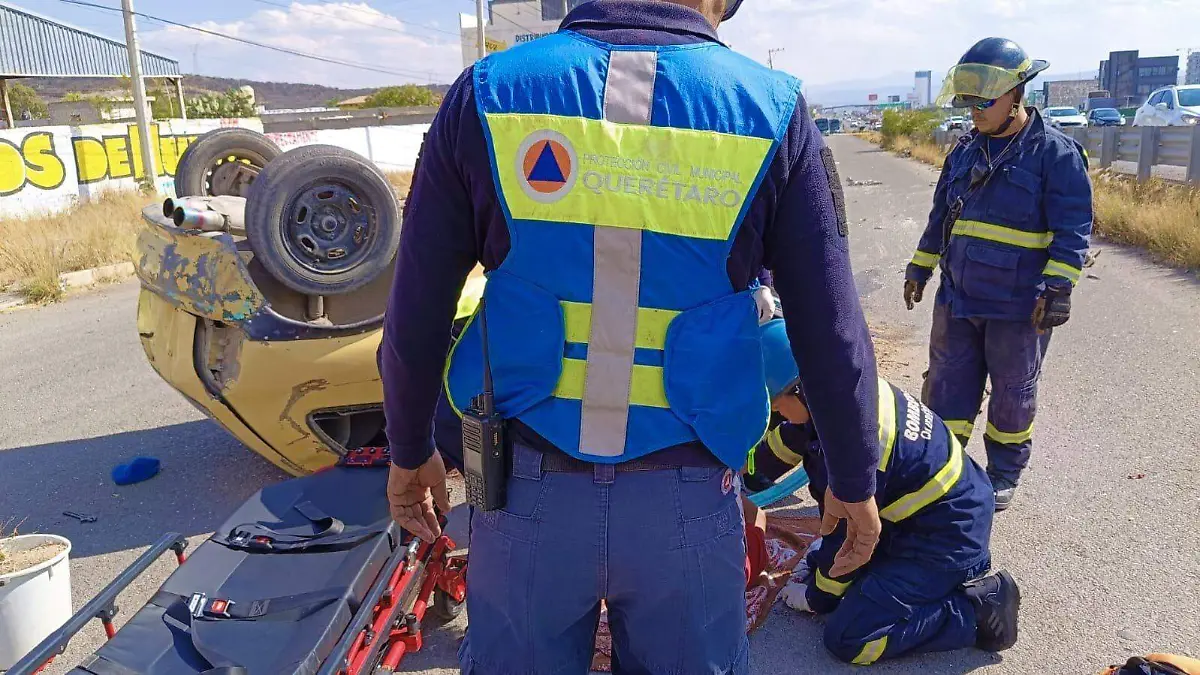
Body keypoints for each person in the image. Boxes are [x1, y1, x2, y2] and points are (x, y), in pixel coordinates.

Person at [378, 0, 884, 670]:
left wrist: (410, 448)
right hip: (688, 501)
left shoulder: (490, 93)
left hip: (523, 493)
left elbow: (416, 305)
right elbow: (830, 326)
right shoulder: (772, 109)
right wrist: (851, 474)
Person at [747, 319, 1020, 665]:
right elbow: (789, 439)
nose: (773, 410)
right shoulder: (840, 393)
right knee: (841, 571)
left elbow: (846, 537)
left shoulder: (857, 451)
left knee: (850, 638)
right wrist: (739, 473)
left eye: (775, 401)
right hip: (929, 516)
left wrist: (817, 596)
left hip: (943, 543)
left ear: (801, 389)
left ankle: (975, 613)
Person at [904, 37, 1093, 511]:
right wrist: (920, 267)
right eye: (970, 102)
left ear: (1017, 94)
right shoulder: (965, 152)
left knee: (1013, 394)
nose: (975, 111)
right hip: (958, 299)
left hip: (1019, 307)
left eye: (984, 101)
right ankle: (941, 466)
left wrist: (1059, 288)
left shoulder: (1056, 154)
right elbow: (940, 218)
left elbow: (1073, 229)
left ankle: (1004, 471)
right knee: (946, 385)